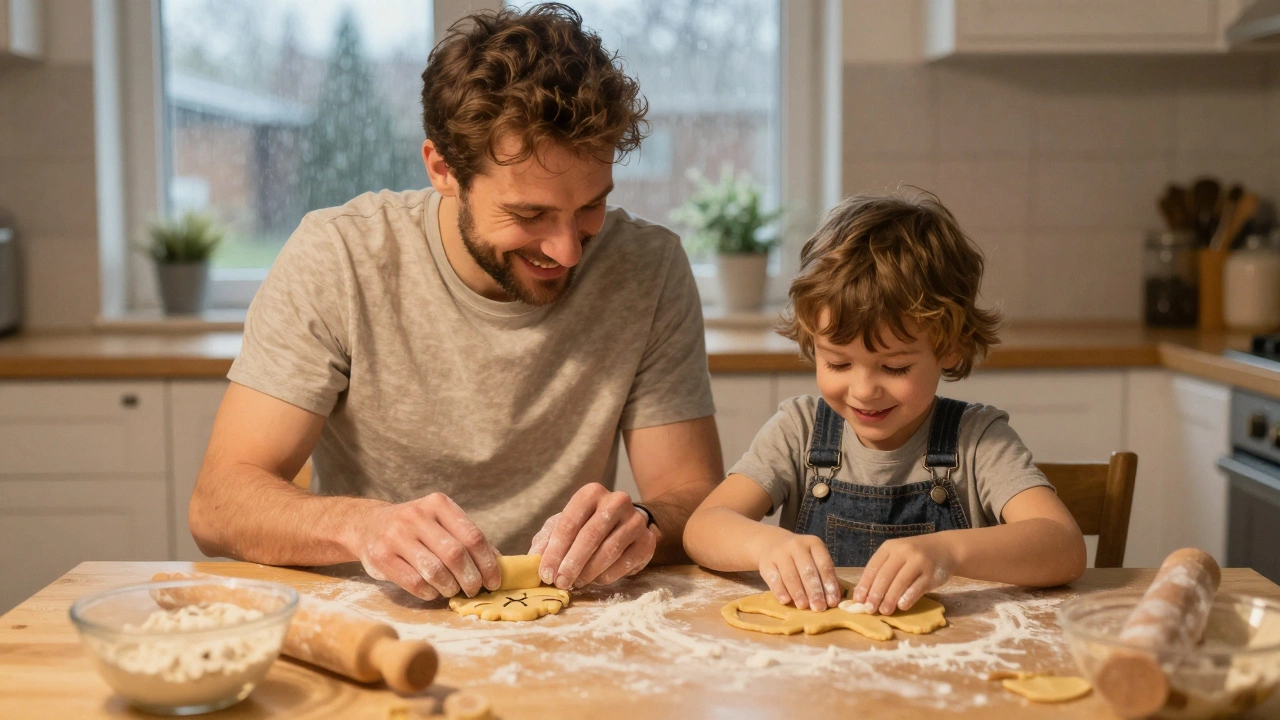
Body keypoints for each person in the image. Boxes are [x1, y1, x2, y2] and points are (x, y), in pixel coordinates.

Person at [189, 3, 723, 602]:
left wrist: (644, 526)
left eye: (591, 206)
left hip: (572, 625)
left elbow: (696, 498)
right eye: (530, 214)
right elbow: (219, 503)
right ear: (443, 168)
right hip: (375, 622)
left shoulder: (648, 267)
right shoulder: (339, 256)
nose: (569, 250)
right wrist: (363, 527)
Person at [683, 192, 1086, 615]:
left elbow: (1064, 545)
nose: (863, 390)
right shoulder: (798, 430)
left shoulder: (976, 440)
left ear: (949, 348)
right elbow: (703, 528)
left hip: (942, 663)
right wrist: (766, 545)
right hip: (818, 664)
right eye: (838, 363)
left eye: (894, 368)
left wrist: (948, 552)